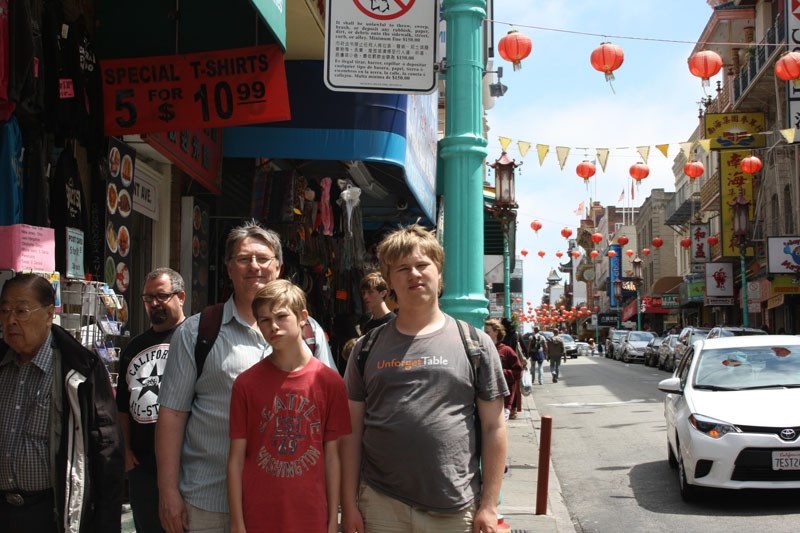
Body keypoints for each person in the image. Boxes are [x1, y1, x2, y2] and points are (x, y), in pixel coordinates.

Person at [156, 220, 336, 533]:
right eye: (243, 259)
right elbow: (171, 413)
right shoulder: (197, 332)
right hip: (210, 500)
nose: (254, 267)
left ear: (277, 267)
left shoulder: (310, 334)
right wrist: (168, 491)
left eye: (263, 259)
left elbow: (331, 421)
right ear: (228, 268)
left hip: (285, 505)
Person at [341, 224, 508, 533]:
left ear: (439, 272)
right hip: (380, 504)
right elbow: (350, 431)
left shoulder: (474, 343)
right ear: (390, 280)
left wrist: (489, 505)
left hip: (455, 507)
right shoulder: (366, 348)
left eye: (422, 265)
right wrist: (348, 504)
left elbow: (494, 426)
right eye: (402, 269)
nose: (413, 274)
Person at [0, 273, 123, 533]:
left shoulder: (79, 370)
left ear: (48, 315)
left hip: (52, 513)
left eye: (21, 311)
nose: (11, 320)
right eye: (5, 310)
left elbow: (106, 450)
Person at [227, 280, 351, 533]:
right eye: (264, 320)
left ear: (302, 317)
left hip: (311, 516)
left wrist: (331, 521)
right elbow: (236, 460)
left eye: (281, 316)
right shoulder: (246, 384)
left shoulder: (330, 383)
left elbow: (333, 457)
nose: (273, 326)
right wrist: (237, 523)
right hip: (257, 515)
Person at [116, 268, 187, 533]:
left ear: (181, 297)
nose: (154, 303)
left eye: (161, 296)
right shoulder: (134, 346)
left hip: (185, 466)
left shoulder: (194, 338)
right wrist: (126, 451)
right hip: (142, 468)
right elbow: (123, 405)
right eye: (148, 298)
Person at [485, 318, 523, 420]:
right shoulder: (482, 349)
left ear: (496, 332)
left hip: (503, 401)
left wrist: (500, 373)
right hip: (485, 400)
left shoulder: (506, 350)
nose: (484, 334)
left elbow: (518, 372)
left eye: (487, 332)